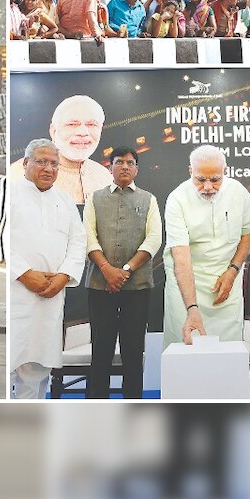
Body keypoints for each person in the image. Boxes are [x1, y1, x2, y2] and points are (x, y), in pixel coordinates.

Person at [9, 139, 87, 399]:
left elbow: (78, 242)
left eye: (54, 164)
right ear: (25, 163)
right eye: (41, 161)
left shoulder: (65, 201)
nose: (48, 169)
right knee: (8, 360)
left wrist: (64, 276)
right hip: (15, 293)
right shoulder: (9, 195)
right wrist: (23, 273)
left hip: (50, 296)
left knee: (37, 369)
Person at [84, 147, 161, 398]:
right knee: (101, 351)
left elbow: (154, 239)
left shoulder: (148, 199)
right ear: (110, 167)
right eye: (119, 162)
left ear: (136, 169)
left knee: (133, 351)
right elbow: (88, 238)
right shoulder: (94, 198)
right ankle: (96, 409)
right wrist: (107, 269)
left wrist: (125, 271)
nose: (125, 167)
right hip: (100, 284)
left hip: (137, 287)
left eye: (130, 163)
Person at [163, 146, 250, 348]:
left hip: (226, 283)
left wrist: (232, 271)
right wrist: (191, 307)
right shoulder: (177, 199)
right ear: (191, 171)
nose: (208, 187)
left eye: (215, 180)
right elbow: (181, 256)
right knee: (187, 352)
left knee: (227, 351)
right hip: (186, 285)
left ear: (225, 171)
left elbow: (247, 234)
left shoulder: (238, 192)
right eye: (200, 180)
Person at [7, 94, 112, 205]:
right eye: (72, 124)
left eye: (91, 124)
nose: (83, 132)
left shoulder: (105, 177)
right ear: (53, 131)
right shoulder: (19, 175)